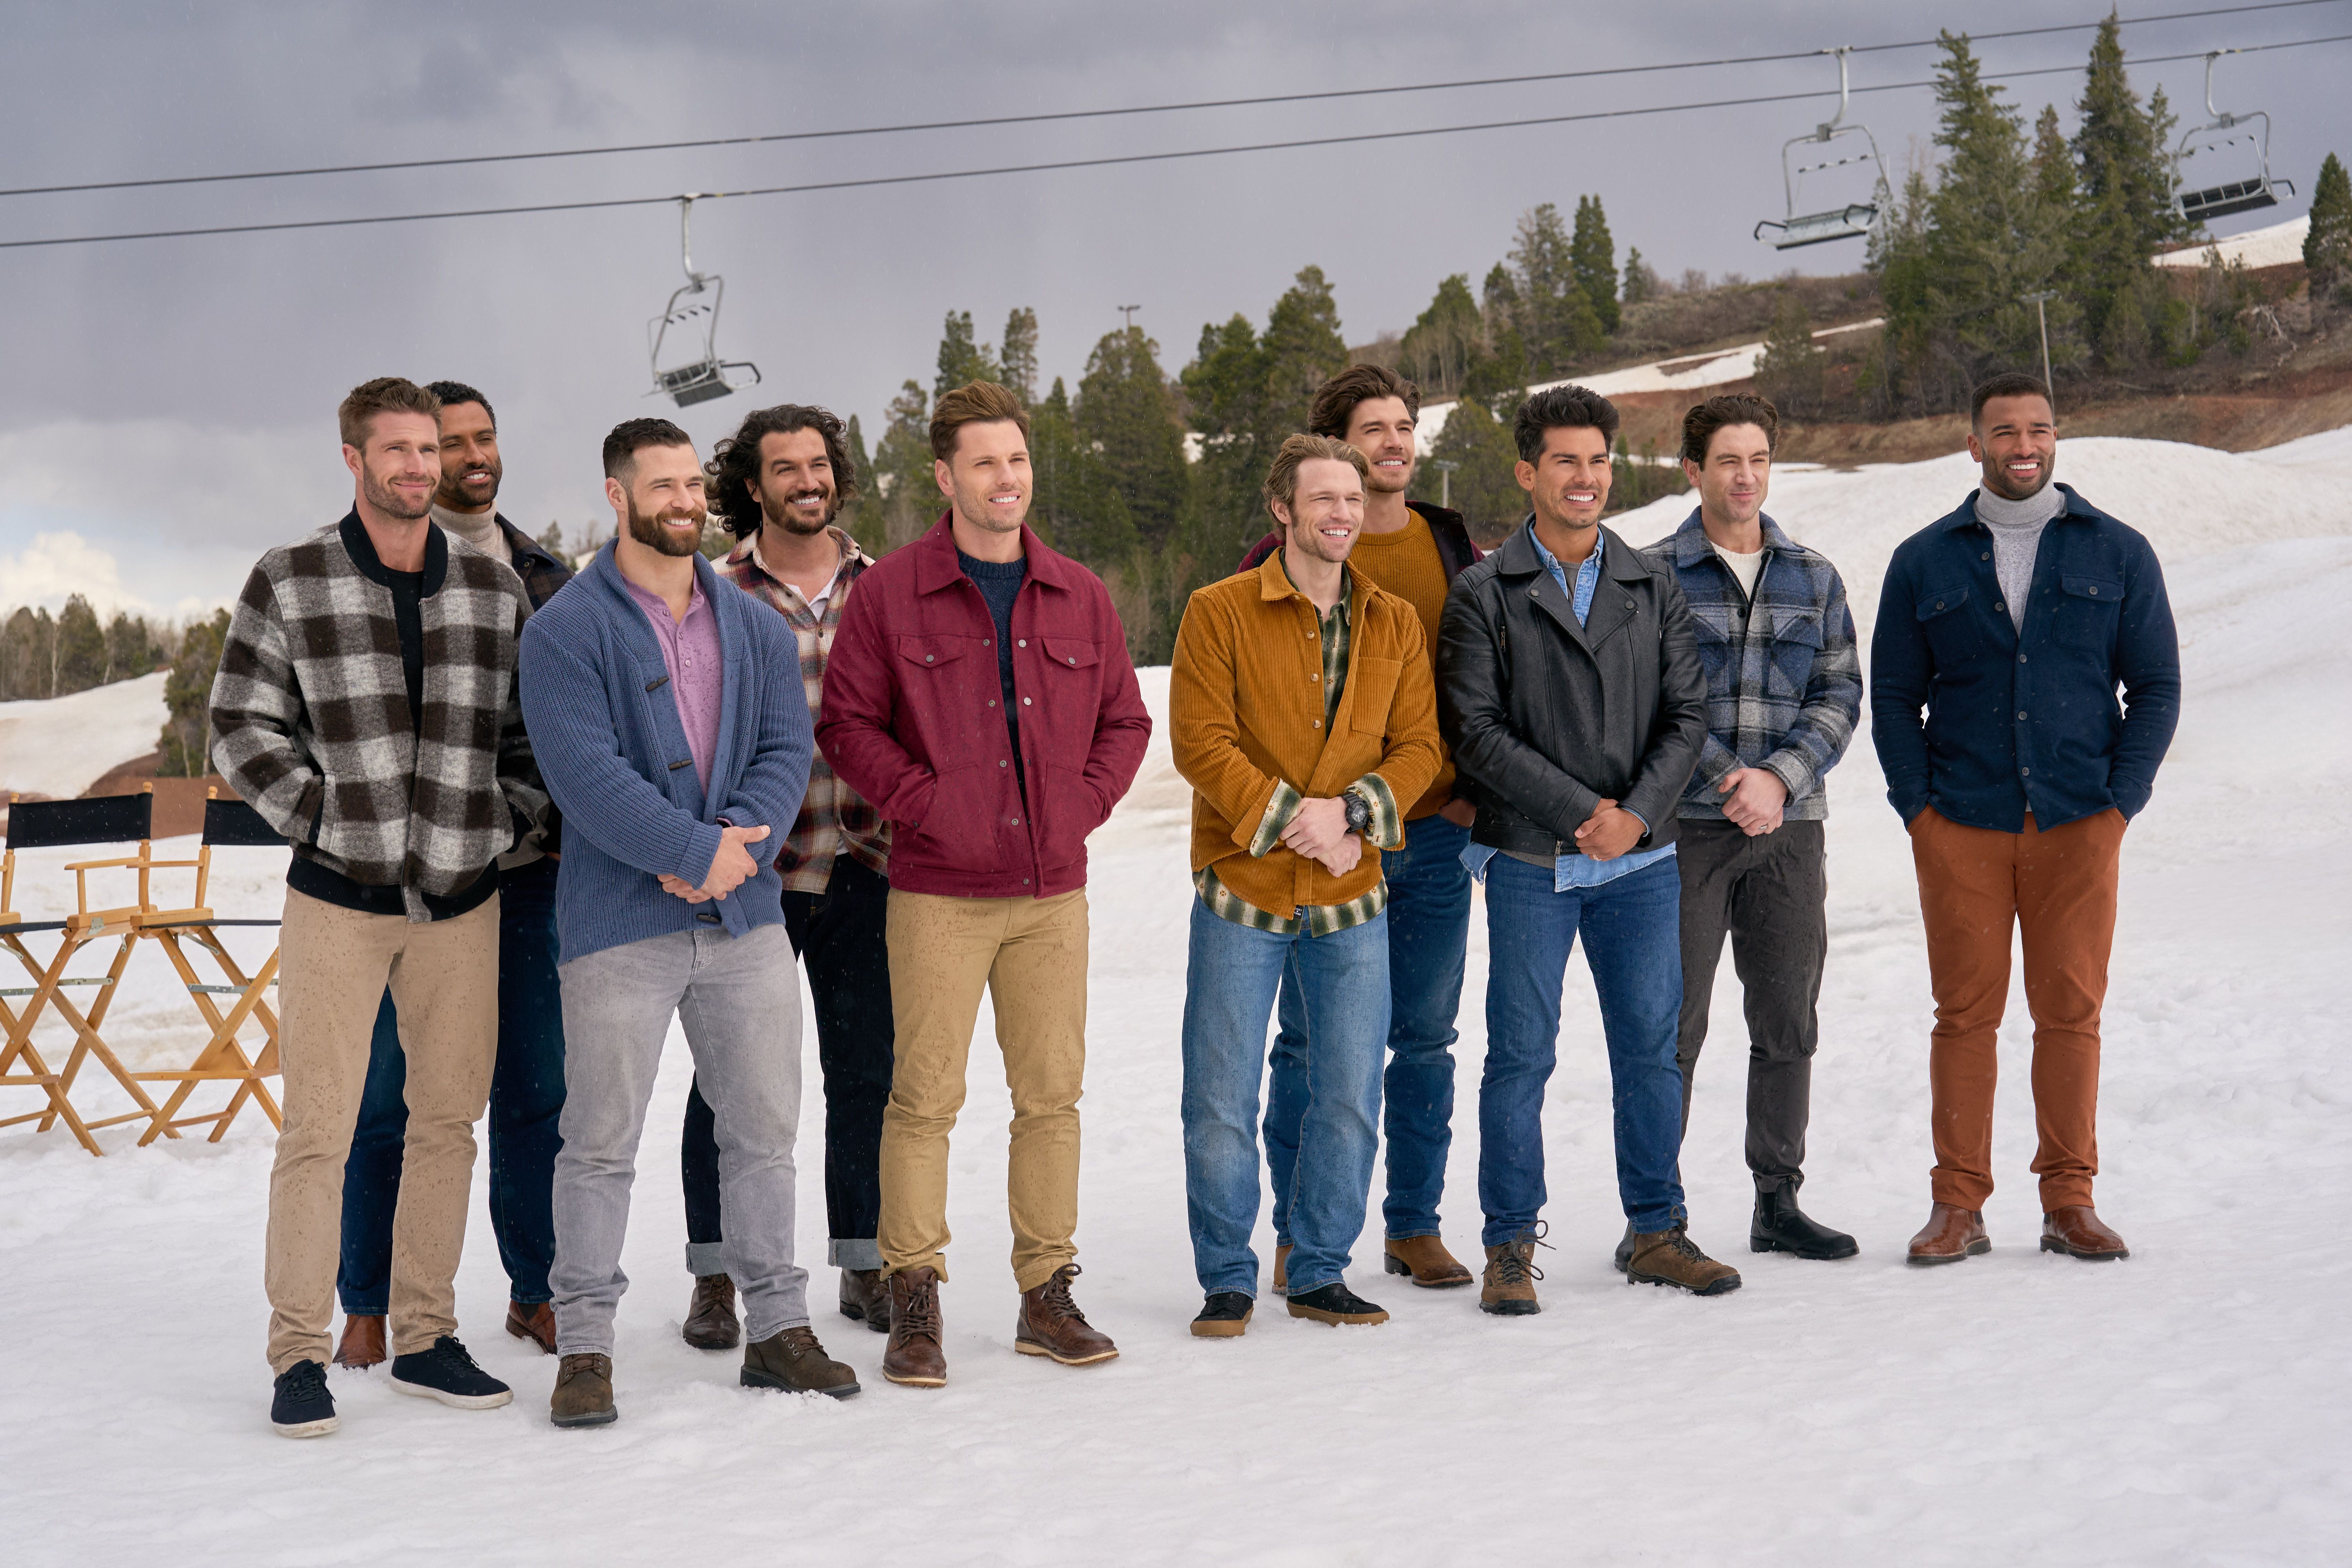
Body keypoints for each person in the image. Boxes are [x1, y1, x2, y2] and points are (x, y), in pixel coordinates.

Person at [211, 377, 545, 1438]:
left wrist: (495, 827)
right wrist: (324, 819)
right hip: (336, 901)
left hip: (462, 901)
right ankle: (298, 1353)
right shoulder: (293, 575)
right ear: (353, 458)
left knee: (448, 1123)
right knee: (322, 1126)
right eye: (396, 450)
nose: (417, 467)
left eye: (428, 450)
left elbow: (529, 741)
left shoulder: (492, 588)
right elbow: (240, 724)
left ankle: (427, 1335)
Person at [521, 418, 855, 1428]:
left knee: (764, 1133)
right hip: (618, 928)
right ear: (617, 496)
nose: (683, 501)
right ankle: (584, 1347)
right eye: (660, 485)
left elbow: (785, 749)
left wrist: (732, 850)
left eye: (691, 484)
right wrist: (686, 848)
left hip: (746, 919)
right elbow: (584, 774)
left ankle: (778, 1331)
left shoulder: (752, 625)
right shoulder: (565, 631)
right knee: (598, 1141)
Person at [818, 380, 1151, 1388]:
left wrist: (1081, 805)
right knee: (923, 1099)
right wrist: (930, 806)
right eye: (985, 463)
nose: (1007, 479)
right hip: (939, 894)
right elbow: (847, 726)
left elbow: (1126, 721)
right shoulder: (891, 594)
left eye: (1017, 459)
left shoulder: (1079, 593)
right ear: (945, 476)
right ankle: (914, 1296)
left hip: (1052, 895)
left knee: (1051, 1098)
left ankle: (1046, 1293)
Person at [1436, 383, 1737, 1313]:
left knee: (1650, 1051)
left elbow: (1688, 716)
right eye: (1565, 460)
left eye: (1598, 461)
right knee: (1520, 1057)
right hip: (1532, 862)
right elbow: (1476, 732)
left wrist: (1635, 818)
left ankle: (1656, 1231)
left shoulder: (1652, 585)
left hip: (1640, 866)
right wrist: (1580, 814)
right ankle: (1509, 1246)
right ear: (1526, 472)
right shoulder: (1483, 593)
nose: (1586, 477)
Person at [1871, 371, 2179, 1266]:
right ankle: (1957, 1205)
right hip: (1961, 824)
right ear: (1975, 444)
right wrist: (1918, 809)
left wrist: (2121, 803)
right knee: (1963, 1015)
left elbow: (2156, 685)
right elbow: (1893, 697)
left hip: (2079, 820)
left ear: (2055, 437)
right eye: (2004, 432)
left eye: (2038, 430)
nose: (2023, 446)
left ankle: (2070, 1200)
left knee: (2070, 1013)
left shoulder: (2118, 552)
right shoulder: (1924, 560)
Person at [1171, 433, 1443, 1336]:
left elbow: (1419, 747)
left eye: (1353, 499)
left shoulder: (1393, 622)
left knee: (1350, 1090)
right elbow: (1200, 741)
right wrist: (1299, 818)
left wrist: (1353, 815)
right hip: (1244, 889)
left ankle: (1321, 1269)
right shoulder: (1219, 611)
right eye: (1323, 498)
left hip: (1350, 892)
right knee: (1221, 1095)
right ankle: (1227, 1277)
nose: (1342, 513)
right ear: (1282, 508)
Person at [332, 380, 576, 1370]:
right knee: (387, 1096)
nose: (471, 457)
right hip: (399, 885)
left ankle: (538, 1290)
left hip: (523, 875)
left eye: (483, 439)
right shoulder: (366, 566)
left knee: (535, 1088)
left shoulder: (547, 576)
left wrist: (533, 822)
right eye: (450, 442)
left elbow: (564, 727)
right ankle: (367, 1303)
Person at [1235, 366, 1482, 1293]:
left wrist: (1471, 791)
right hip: (1325, 846)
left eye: (1405, 426)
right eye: (1373, 429)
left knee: (1424, 1038)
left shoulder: (1449, 544)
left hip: (1433, 833)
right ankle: (1299, 1229)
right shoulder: (1284, 554)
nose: (1394, 443)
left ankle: (1413, 1224)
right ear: (1333, 449)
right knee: (1310, 1044)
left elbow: (1482, 681)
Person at [671, 404, 895, 1351]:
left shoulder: (884, 587)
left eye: (819, 464)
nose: (808, 480)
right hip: (752, 877)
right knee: (730, 1083)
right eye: (785, 468)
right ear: (752, 486)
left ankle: (865, 1262)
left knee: (867, 1074)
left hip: (867, 865)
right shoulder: (713, 594)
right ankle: (717, 1273)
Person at [1638, 393, 1862, 1265]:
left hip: (1790, 831)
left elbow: (1840, 694)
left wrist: (1780, 779)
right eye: (1728, 460)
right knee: (1672, 1028)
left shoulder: (1814, 576)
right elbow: (1649, 700)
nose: (1745, 476)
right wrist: (1730, 778)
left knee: (1786, 1018)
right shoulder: (1650, 576)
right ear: (1692, 470)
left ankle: (1778, 1201)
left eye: (1759, 459)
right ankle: (1655, 1218)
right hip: (1683, 833)